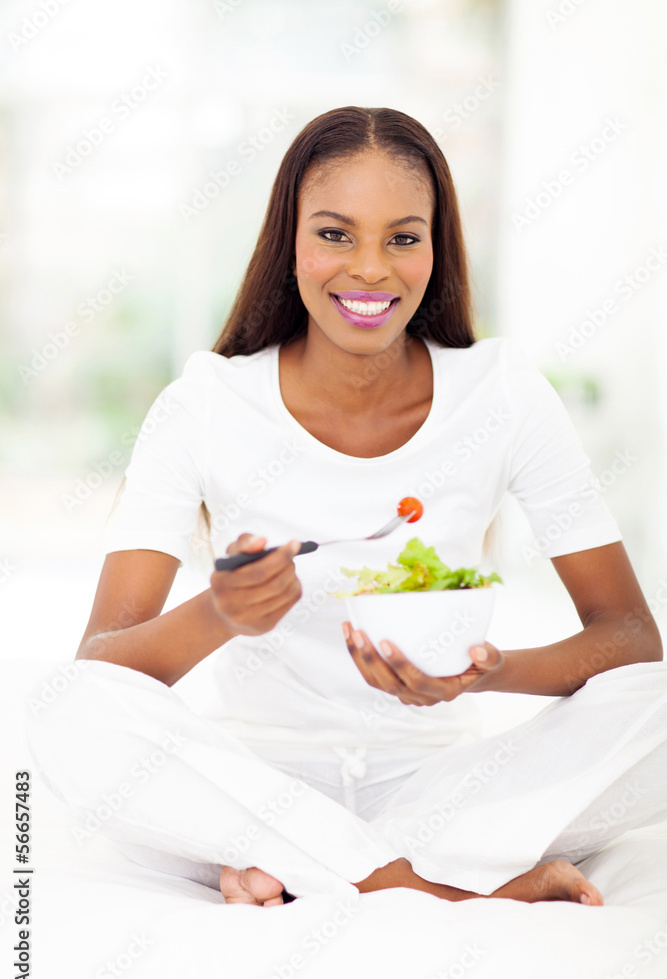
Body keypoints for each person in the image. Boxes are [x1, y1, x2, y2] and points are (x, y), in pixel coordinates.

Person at [27, 106, 667, 910]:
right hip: (257, 782)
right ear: (288, 243)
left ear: (436, 248)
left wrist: (491, 676)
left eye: (402, 237)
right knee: (63, 705)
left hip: (444, 785)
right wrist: (221, 613)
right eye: (335, 234)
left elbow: (631, 637)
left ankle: (304, 869)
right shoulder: (206, 403)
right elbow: (106, 664)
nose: (370, 268)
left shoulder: (500, 395)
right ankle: (418, 879)